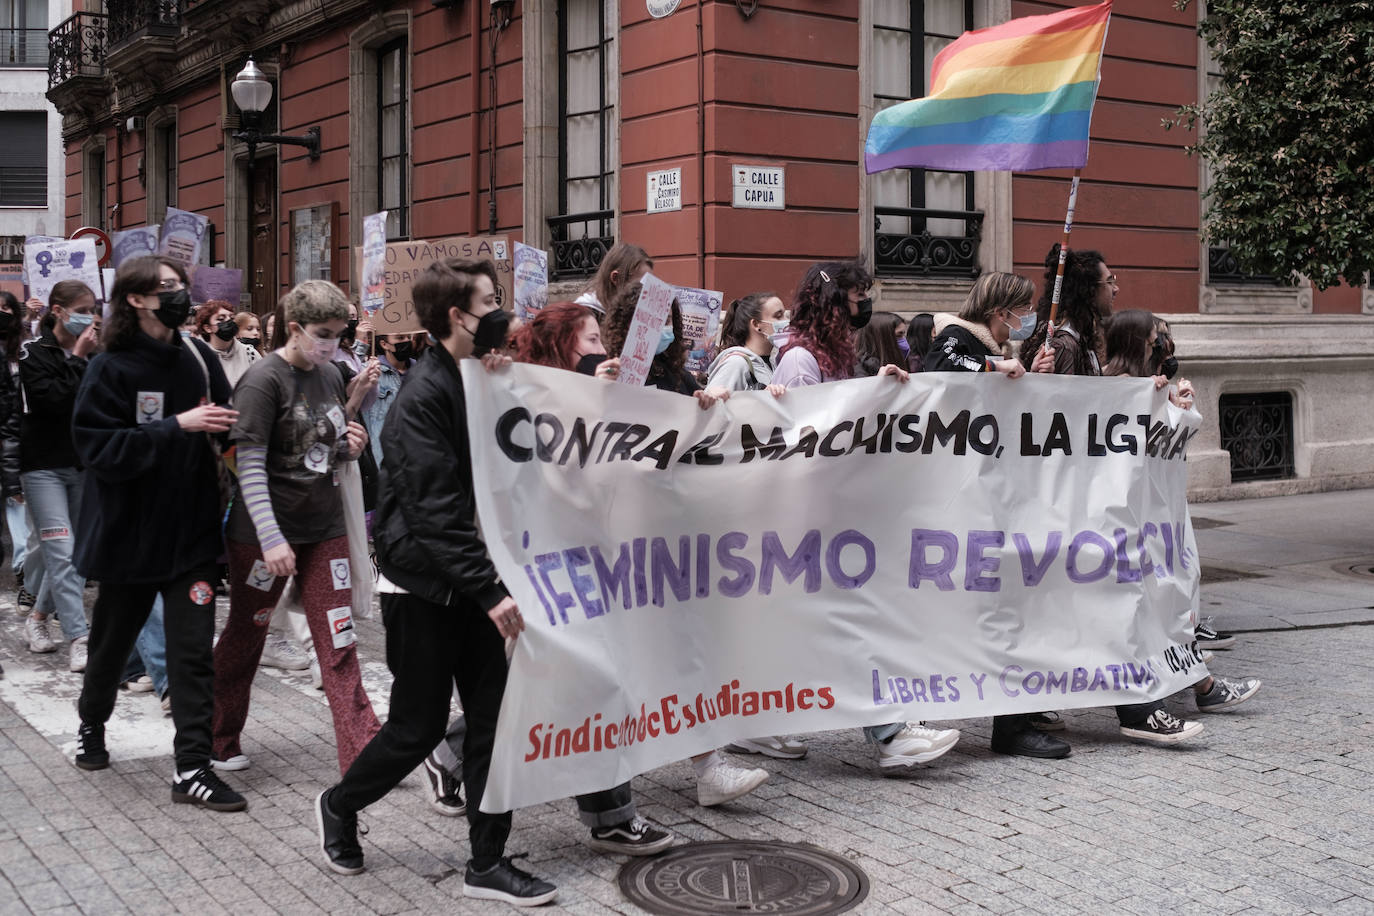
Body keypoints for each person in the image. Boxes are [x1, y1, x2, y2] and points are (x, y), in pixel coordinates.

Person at [316, 257, 558, 906]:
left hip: (475, 585)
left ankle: (487, 862)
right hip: (425, 592)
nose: (501, 311)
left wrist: (501, 386)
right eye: (490, 301)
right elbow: (434, 513)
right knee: (415, 729)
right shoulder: (424, 395)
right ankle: (340, 804)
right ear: (458, 316)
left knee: (492, 727)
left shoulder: (473, 377)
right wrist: (490, 591)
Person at [69, 255, 246, 811]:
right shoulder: (110, 367)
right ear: (137, 300)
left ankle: (192, 768)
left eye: (180, 286)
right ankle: (92, 724)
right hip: (129, 538)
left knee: (193, 653)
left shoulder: (195, 356)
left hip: (190, 535)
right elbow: (98, 450)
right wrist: (176, 427)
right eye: (165, 288)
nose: (179, 295)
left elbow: (221, 422)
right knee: (111, 646)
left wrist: (229, 435)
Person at [774, 261, 962, 768]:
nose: (866, 307)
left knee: (815, 624)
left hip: (832, 512)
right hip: (809, 518)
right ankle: (889, 732)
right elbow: (806, 438)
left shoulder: (830, 354)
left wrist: (878, 387)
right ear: (834, 305)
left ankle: (760, 727)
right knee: (847, 622)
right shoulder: (798, 362)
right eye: (859, 298)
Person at [1023, 247, 1204, 745]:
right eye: (1109, 280)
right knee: (1102, 594)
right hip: (1067, 497)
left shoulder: (1082, 343)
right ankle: (1132, 708)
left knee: (1098, 598)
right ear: (1089, 288)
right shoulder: (1061, 343)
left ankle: (1062, 704)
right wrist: (1038, 376)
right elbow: (1045, 417)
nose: (1116, 287)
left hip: (1088, 494)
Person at [211, 280, 379, 775]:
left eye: (339, 333)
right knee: (247, 633)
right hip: (263, 538)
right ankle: (219, 735)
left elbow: (324, 447)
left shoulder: (329, 374)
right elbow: (248, 464)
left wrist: (351, 441)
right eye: (323, 333)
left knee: (339, 636)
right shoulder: (263, 381)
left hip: (322, 529)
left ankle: (365, 752)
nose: (331, 343)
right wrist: (270, 537)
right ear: (294, 329)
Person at [923, 272, 1066, 758]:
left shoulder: (994, 352)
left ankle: (1016, 715)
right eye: (1020, 311)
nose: (1024, 319)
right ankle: (1006, 722)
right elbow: (948, 371)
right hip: (962, 502)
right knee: (993, 609)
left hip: (987, 501)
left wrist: (1032, 377)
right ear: (998, 311)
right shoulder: (954, 338)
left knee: (1007, 608)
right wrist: (997, 366)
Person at [1101, 310, 1262, 713]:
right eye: (1157, 338)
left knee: (1167, 598)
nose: (1163, 346)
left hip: (1152, 515)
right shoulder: (1116, 387)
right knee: (1152, 603)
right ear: (1138, 341)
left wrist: (1175, 405)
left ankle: (1201, 686)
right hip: (1129, 517)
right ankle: (1196, 689)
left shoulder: (1143, 386)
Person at [18, 280, 99, 669]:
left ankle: (36, 619)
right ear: (58, 310)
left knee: (75, 556)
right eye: (82, 308)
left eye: (93, 308)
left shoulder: (95, 353)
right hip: (42, 468)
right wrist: (78, 360)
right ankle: (79, 636)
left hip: (82, 466)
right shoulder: (34, 353)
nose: (89, 315)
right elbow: (50, 403)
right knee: (62, 553)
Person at [0, 292, 29, 601]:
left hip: (15, 437)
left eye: (6, 308)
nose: (2, 314)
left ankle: (22, 567)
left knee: (16, 502)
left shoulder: (24, 351)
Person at [705, 292, 787, 392]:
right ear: (756, 324)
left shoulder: (773, 363)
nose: (786, 321)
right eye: (778, 316)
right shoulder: (735, 363)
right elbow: (712, 404)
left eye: (785, 315)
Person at [362, 332, 415, 466]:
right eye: (400, 338)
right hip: (384, 454)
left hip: (415, 451)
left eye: (409, 337)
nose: (406, 341)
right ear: (384, 344)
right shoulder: (371, 371)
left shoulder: (420, 370)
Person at [195, 300, 260, 388]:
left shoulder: (249, 354)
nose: (228, 321)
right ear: (207, 328)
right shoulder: (197, 355)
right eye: (221, 319)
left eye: (231, 318)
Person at [575, 243, 652, 315]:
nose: (645, 292)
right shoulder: (584, 317)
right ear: (615, 278)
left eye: (648, 284)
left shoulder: (624, 311)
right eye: (639, 286)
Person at [855, 310, 906, 377]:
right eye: (899, 335)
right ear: (882, 338)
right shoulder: (856, 370)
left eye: (904, 335)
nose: (904, 340)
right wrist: (879, 380)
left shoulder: (898, 362)